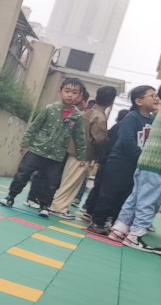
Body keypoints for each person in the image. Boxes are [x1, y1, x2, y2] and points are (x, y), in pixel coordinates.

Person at [0, 77, 86, 218]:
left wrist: (81, 156)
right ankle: (10, 196)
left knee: (50, 182)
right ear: (60, 91)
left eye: (74, 92)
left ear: (80, 96)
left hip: (56, 156)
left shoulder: (77, 117)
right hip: (36, 150)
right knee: (23, 174)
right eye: (67, 91)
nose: (70, 95)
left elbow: (79, 137)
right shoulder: (49, 109)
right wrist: (25, 143)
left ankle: (45, 206)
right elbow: (34, 126)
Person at [88, 85, 158, 235]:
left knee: (125, 195)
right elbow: (127, 141)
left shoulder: (153, 120)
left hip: (135, 164)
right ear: (139, 101)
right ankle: (98, 221)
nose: (156, 98)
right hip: (120, 163)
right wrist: (141, 156)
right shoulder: (132, 118)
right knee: (110, 192)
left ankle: (114, 223)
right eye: (152, 96)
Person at [107, 81, 161, 251]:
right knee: (149, 200)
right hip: (158, 165)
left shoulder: (160, 112)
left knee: (135, 198)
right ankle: (135, 235)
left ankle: (119, 229)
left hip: (144, 162)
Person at [49, 86, 118, 219]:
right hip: (84, 155)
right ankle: (58, 207)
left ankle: (58, 206)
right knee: (72, 182)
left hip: (73, 151)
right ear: (111, 102)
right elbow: (100, 139)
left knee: (68, 180)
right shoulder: (100, 117)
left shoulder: (87, 112)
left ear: (96, 97)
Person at [81, 106, 130, 220]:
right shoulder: (123, 128)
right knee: (107, 190)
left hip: (106, 160)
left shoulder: (115, 127)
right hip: (113, 162)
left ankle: (89, 209)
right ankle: (98, 214)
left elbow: (106, 142)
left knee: (98, 186)